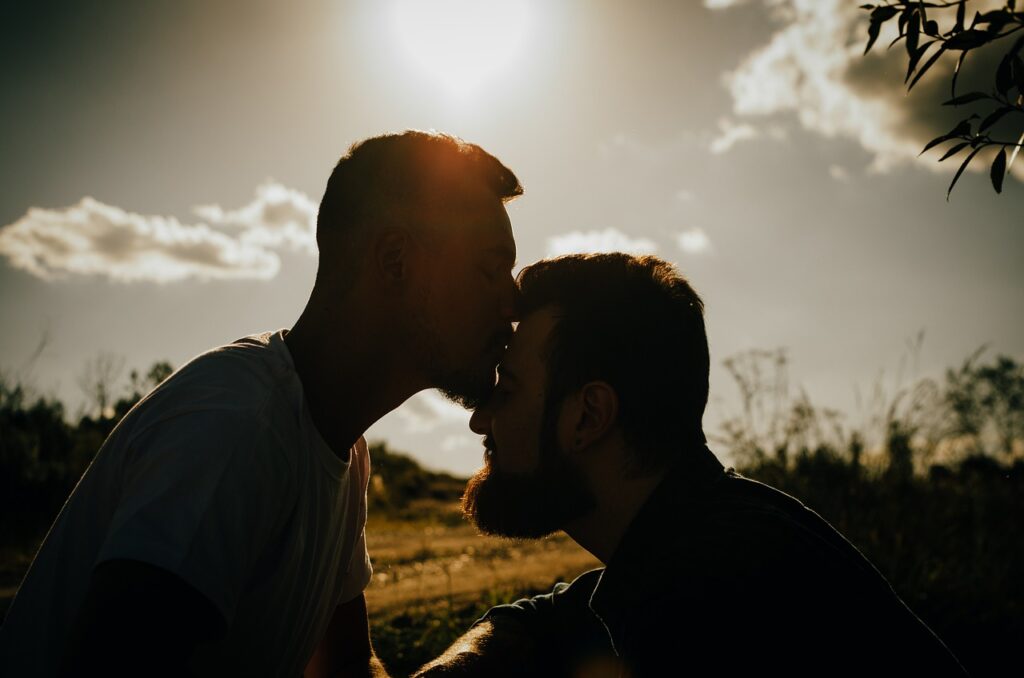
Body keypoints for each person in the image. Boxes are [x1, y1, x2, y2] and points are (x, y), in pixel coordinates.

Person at [0, 131, 522, 678]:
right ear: (395, 261)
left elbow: (344, 666)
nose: (512, 304)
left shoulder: (341, 446)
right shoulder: (235, 430)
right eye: (491, 268)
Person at [414, 253, 969, 678]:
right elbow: (550, 615)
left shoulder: (711, 601)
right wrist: (466, 660)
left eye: (506, 392)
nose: (480, 422)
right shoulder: (705, 529)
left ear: (588, 416)